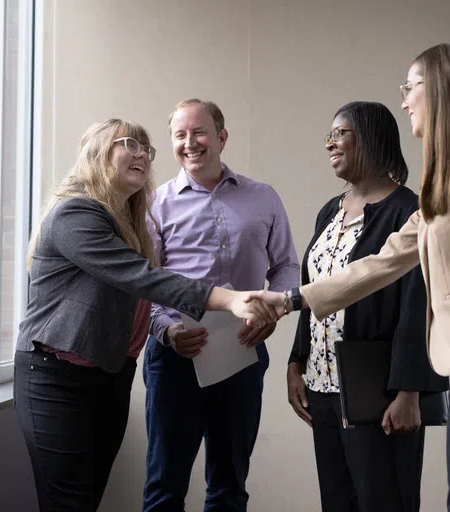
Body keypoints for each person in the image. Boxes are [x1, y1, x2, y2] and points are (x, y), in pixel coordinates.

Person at [250, 43, 450, 512]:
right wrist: (292, 300)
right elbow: (386, 260)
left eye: (411, 87)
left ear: (439, 87)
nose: (404, 102)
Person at [13, 118, 274, 512]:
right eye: (130, 145)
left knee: (88, 498)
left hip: (108, 377)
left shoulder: (126, 221)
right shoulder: (76, 212)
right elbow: (144, 279)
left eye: (146, 149)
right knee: (70, 503)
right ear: (99, 152)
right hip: (56, 378)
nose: (142, 155)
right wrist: (228, 300)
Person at [288, 101, 448, 512]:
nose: (330, 144)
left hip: (380, 393)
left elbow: (419, 309)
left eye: (340, 133)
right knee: (338, 503)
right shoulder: (330, 210)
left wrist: (409, 391)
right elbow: (316, 288)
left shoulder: (409, 210)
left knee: (384, 501)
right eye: (329, 136)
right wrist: (296, 361)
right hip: (323, 387)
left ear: (372, 138)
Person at [142, 99, 299, 512]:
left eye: (199, 132)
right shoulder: (154, 206)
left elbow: (286, 266)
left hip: (243, 351)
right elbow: (144, 286)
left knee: (230, 485)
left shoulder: (263, 197)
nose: (189, 143)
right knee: (164, 486)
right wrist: (168, 331)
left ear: (222, 137)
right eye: (180, 135)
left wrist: (275, 312)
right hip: (174, 357)